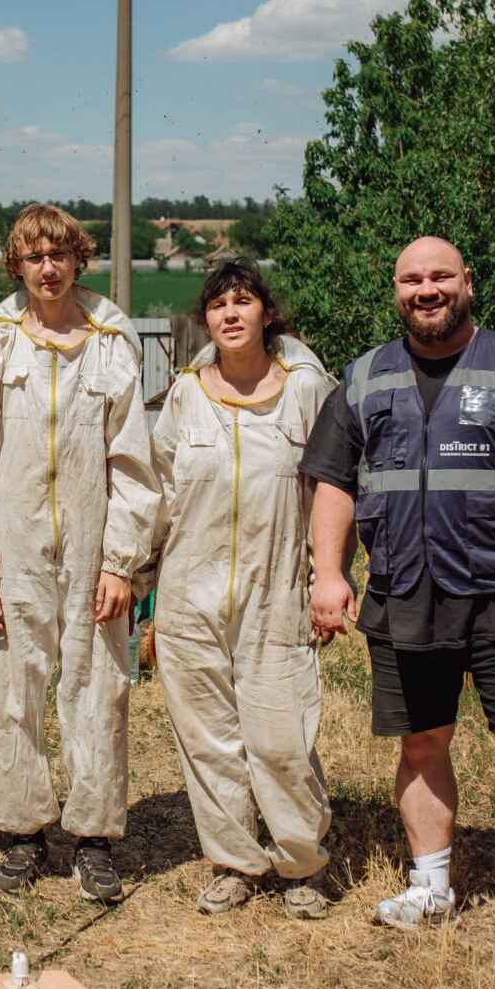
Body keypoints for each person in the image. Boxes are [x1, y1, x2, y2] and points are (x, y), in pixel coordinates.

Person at [301, 236, 495, 962]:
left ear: (469, 282)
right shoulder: (366, 377)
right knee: (421, 742)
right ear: (396, 290)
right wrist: (329, 573)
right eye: (411, 279)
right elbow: (333, 481)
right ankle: (431, 886)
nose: (426, 290)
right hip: (406, 588)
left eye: (440, 276)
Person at [0, 203, 157, 904]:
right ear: (18, 264)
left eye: (59, 254)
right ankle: (23, 832)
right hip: (16, 550)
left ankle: (95, 839)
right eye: (34, 256)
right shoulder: (0, 341)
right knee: (14, 687)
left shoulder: (109, 339)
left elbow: (132, 461)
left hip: (94, 550)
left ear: (78, 259)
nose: (47, 267)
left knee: (98, 687)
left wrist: (121, 560)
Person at [144, 260, 338, 920]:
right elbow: (159, 494)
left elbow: (335, 489)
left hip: (275, 587)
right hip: (187, 595)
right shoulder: (186, 394)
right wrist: (132, 576)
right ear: (206, 321)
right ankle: (235, 862)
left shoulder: (308, 391)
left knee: (281, 737)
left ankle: (303, 863)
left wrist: (327, 575)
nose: (231, 313)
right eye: (219, 304)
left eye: (243, 300)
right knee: (208, 741)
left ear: (266, 313)